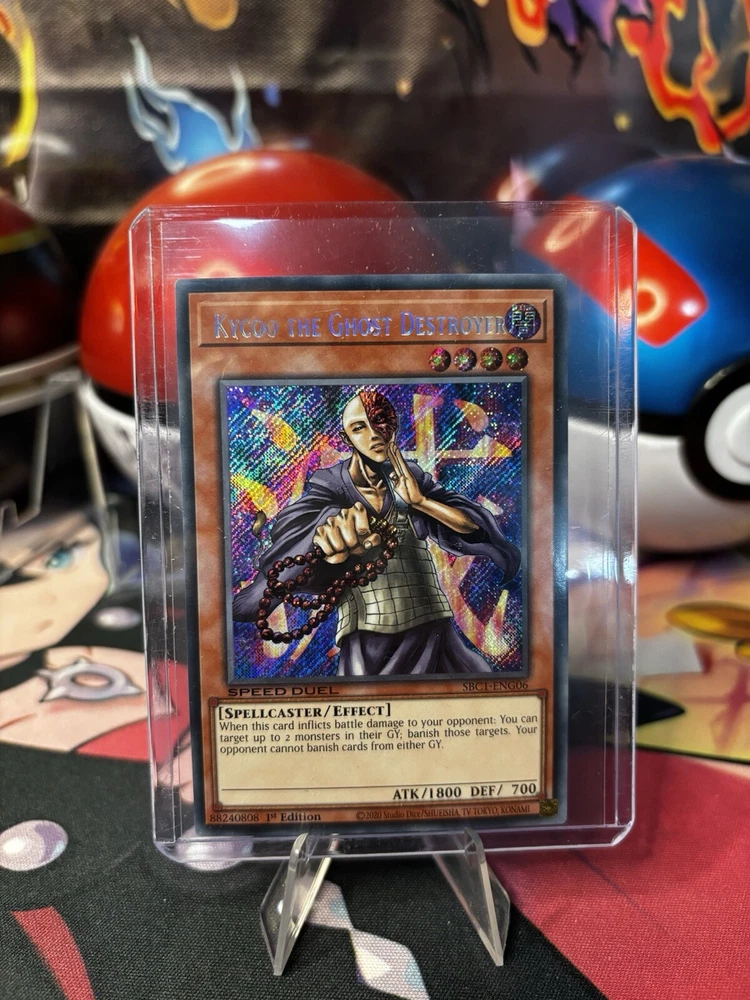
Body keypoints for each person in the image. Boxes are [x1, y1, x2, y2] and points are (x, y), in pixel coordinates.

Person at [233, 389, 521, 675]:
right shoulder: (330, 484)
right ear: (347, 438)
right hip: (367, 634)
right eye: (360, 427)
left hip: (431, 625)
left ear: (392, 425)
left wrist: (422, 502)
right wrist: (329, 546)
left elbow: (472, 527)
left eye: (380, 420)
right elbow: (299, 529)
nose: (373, 434)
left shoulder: (410, 476)